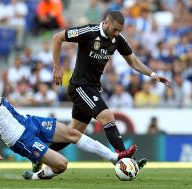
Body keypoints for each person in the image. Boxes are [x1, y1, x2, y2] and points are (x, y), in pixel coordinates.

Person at [0, 41, 137, 180]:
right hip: (20, 139)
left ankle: (116, 158)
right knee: (62, 165)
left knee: (72, 134)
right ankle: (37, 175)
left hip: (28, 121)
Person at [32, 11, 171, 172]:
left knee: (74, 133)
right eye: (115, 29)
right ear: (106, 23)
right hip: (80, 86)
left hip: (92, 87)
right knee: (107, 116)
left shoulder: (117, 39)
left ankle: (39, 154)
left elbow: (132, 60)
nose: (117, 33)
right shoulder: (89, 32)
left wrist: (153, 75)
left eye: (120, 31)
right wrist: (57, 66)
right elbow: (57, 37)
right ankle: (125, 158)